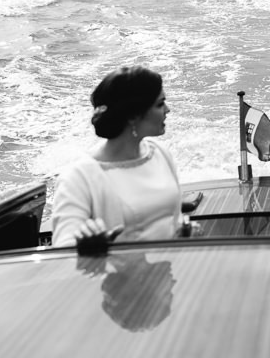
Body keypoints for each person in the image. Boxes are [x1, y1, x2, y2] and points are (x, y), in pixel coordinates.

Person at [52, 66, 183, 247]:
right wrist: (85, 244)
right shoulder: (79, 177)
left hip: (173, 270)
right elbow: (63, 246)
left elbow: (174, 222)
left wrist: (184, 230)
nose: (167, 110)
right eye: (160, 104)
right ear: (133, 116)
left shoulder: (160, 154)